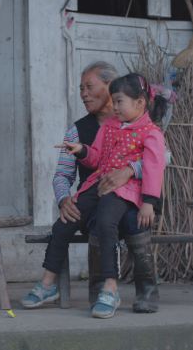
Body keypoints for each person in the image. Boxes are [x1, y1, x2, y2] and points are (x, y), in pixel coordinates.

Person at [22, 62, 160, 314]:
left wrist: (130, 171)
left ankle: (138, 291)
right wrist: (65, 199)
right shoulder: (86, 129)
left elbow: (160, 160)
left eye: (89, 87)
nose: (83, 94)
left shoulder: (146, 128)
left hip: (130, 199)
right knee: (77, 220)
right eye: (80, 88)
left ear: (110, 88)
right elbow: (67, 172)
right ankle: (61, 286)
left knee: (127, 219)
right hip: (96, 197)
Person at [61, 73, 167, 319]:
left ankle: (146, 290)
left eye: (118, 101)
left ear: (139, 102)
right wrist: (82, 152)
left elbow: (157, 164)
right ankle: (101, 288)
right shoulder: (103, 127)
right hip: (104, 195)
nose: (114, 107)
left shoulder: (150, 131)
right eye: (114, 101)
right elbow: (94, 157)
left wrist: (148, 201)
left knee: (132, 222)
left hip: (139, 200)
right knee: (101, 218)